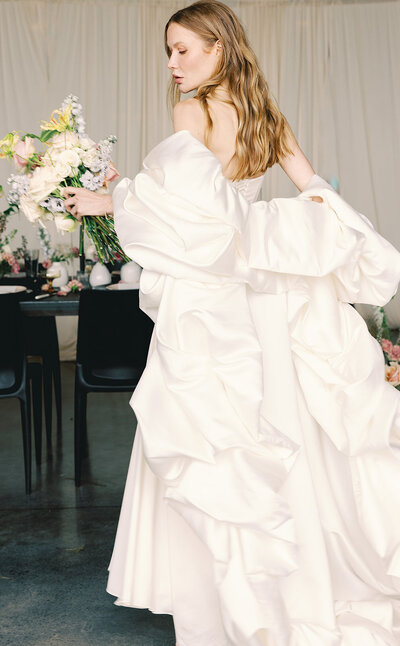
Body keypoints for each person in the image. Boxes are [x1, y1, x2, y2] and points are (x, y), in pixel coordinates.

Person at [63, 1, 400, 644]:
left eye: (184, 49)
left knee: (218, 438)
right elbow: (314, 191)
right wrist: (337, 246)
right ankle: (308, 585)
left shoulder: (191, 110)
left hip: (214, 299)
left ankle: (231, 592)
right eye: (168, 50)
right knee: (285, 427)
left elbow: (190, 213)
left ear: (220, 47)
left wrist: (109, 198)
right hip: (266, 295)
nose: (172, 63)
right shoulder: (266, 114)